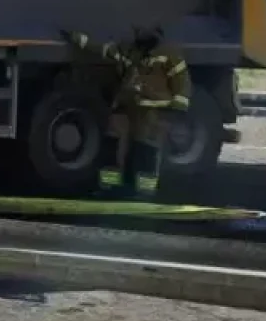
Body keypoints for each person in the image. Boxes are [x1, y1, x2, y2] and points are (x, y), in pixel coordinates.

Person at [61, 27, 191, 197]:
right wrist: (78, 38)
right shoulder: (130, 51)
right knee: (113, 143)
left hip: (152, 109)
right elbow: (105, 50)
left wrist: (175, 111)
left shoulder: (169, 54)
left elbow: (182, 84)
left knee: (145, 148)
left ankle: (144, 191)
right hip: (126, 104)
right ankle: (110, 186)